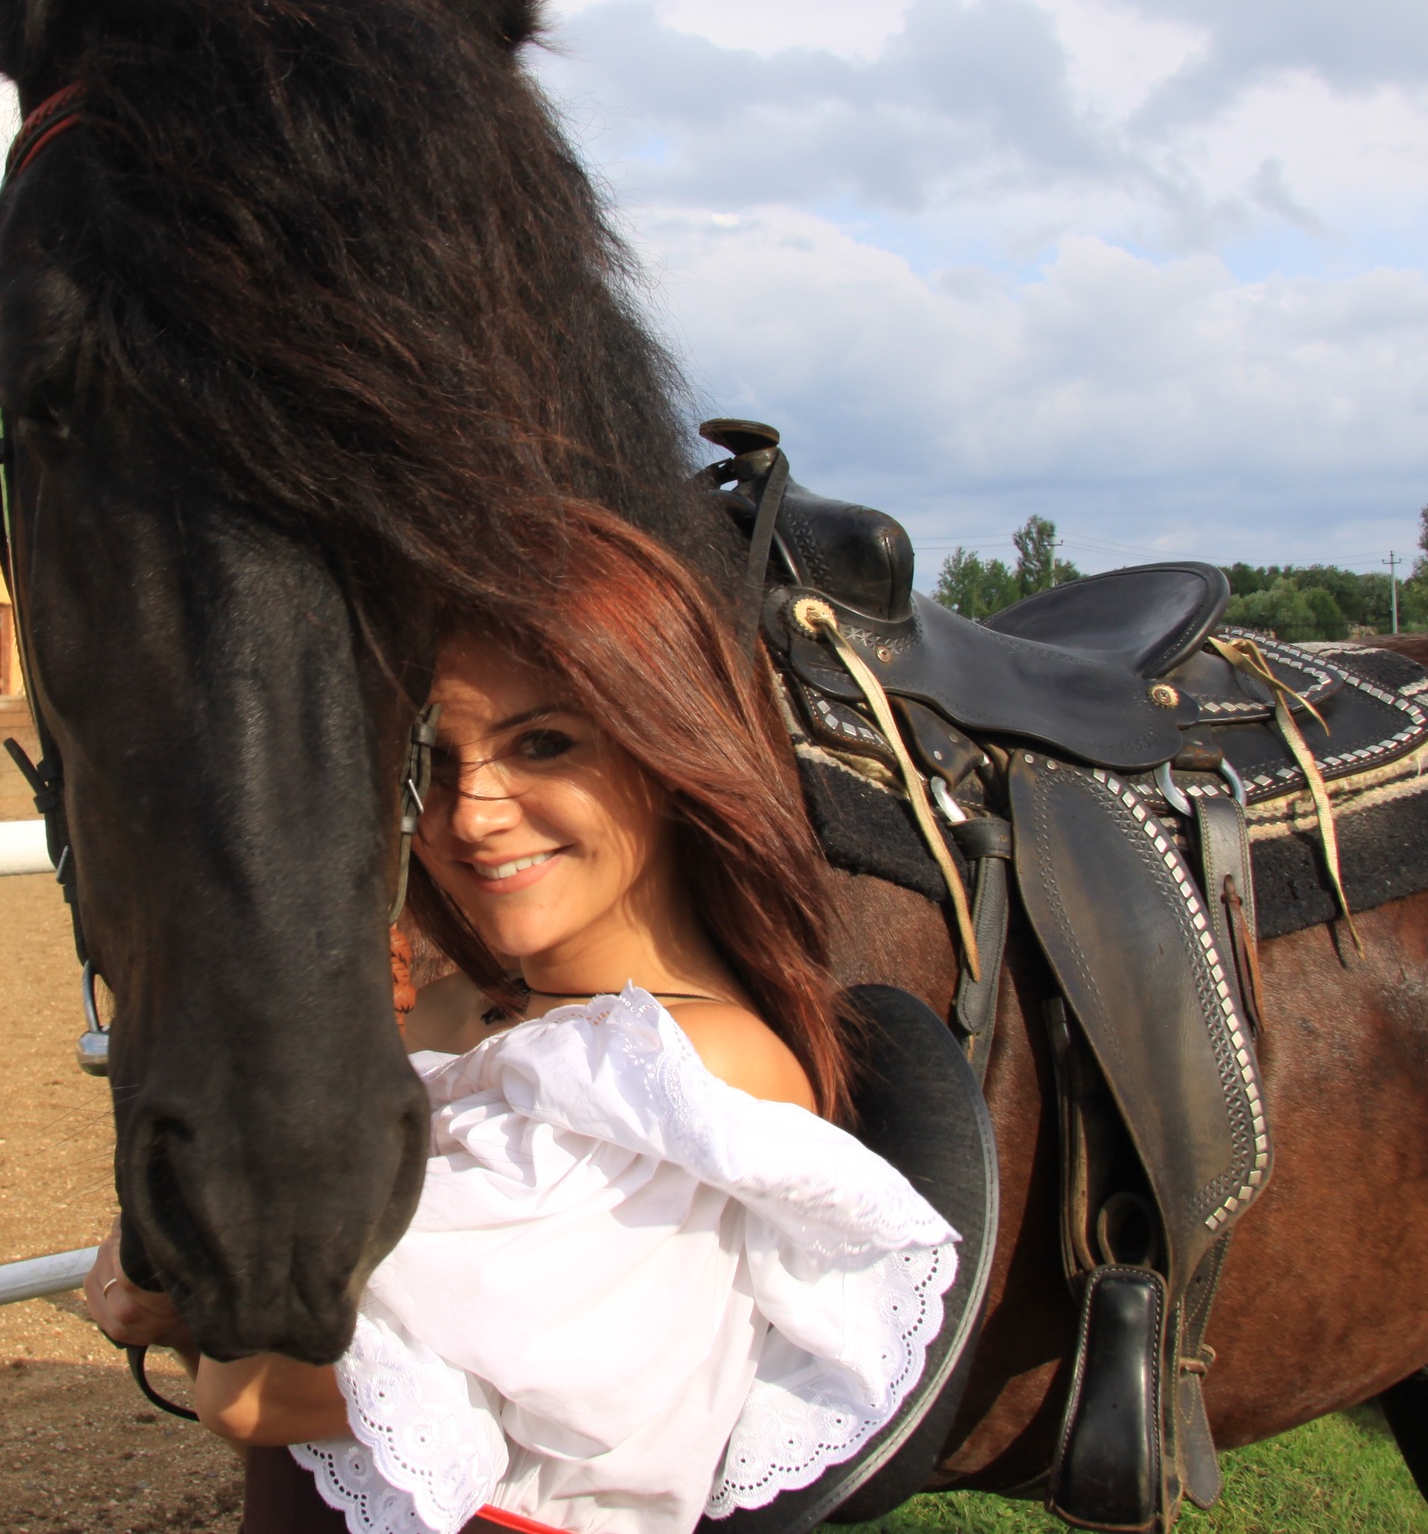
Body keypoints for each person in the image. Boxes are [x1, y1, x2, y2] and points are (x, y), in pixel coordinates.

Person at [87, 505, 957, 1534]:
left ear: (670, 751)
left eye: (543, 745)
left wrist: (170, 1280)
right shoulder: (466, 1015)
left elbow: (258, 1394)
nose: (471, 813)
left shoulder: (693, 1083)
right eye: (434, 759)